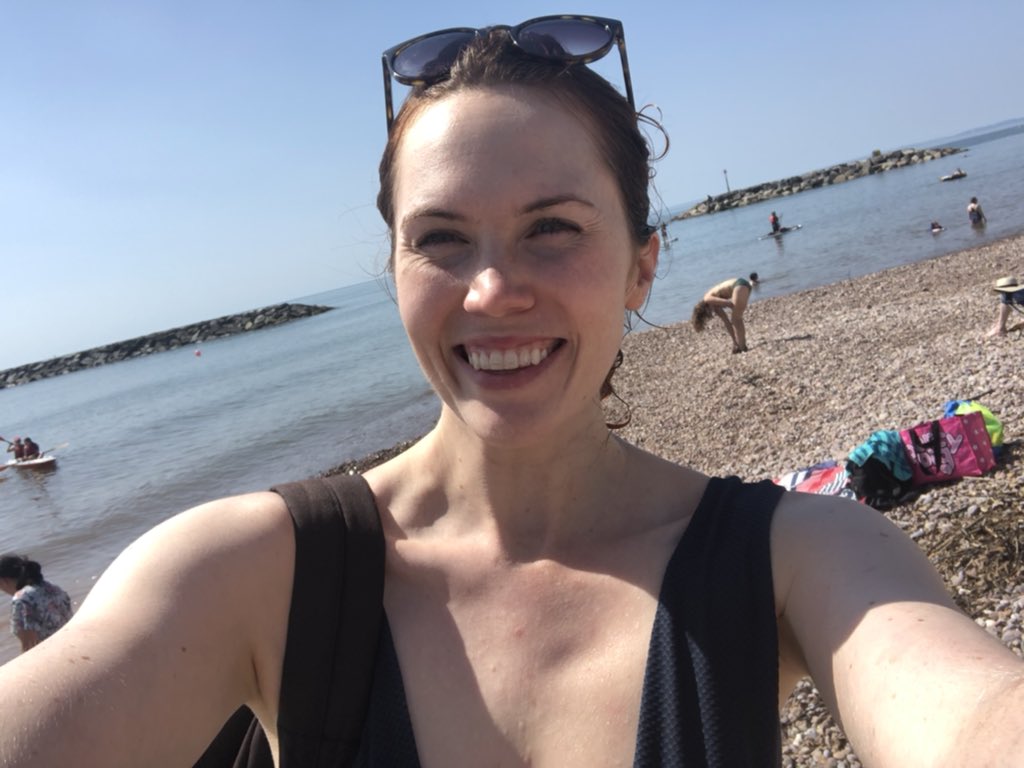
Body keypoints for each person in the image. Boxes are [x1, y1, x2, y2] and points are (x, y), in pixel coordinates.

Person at [1, 17, 1023, 767]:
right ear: (395, 272)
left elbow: (968, 713)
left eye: (553, 228)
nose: (491, 291)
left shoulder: (798, 557)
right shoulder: (248, 574)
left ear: (641, 267)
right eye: (441, 238)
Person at [0, 555, 72, 653]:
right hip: (71, 643)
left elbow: (29, 646)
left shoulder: (21, 600)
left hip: (53, 653)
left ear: (4, 581)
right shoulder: (53, 588)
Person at [691, 273, 758, 353]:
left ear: (705, 309)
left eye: (709, 313)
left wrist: (729, 305)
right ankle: (741, 345)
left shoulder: (707, 298)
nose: (712, 313)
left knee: (736, 319)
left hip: (738, 285)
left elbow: (729, 304)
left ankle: (742, 347)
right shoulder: (715, 306)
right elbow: (727, 322)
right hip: (744, 286)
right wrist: (734, 341)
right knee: (737, 318)